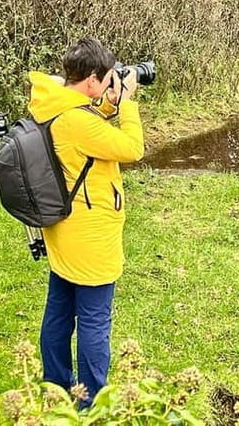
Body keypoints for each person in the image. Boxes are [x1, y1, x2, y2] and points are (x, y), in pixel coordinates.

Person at [27, 38, 144, 408]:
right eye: (108, 78)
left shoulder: (53, 102)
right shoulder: (76, 120)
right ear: (92, 80)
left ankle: (57, 384)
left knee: (59, 310)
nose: (112, 83)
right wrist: (126, 103)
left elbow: (89, 129)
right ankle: (91, 400)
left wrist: (107, 103)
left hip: (62, 229)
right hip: (89, 237)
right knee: (94, 321)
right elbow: (131, 148)